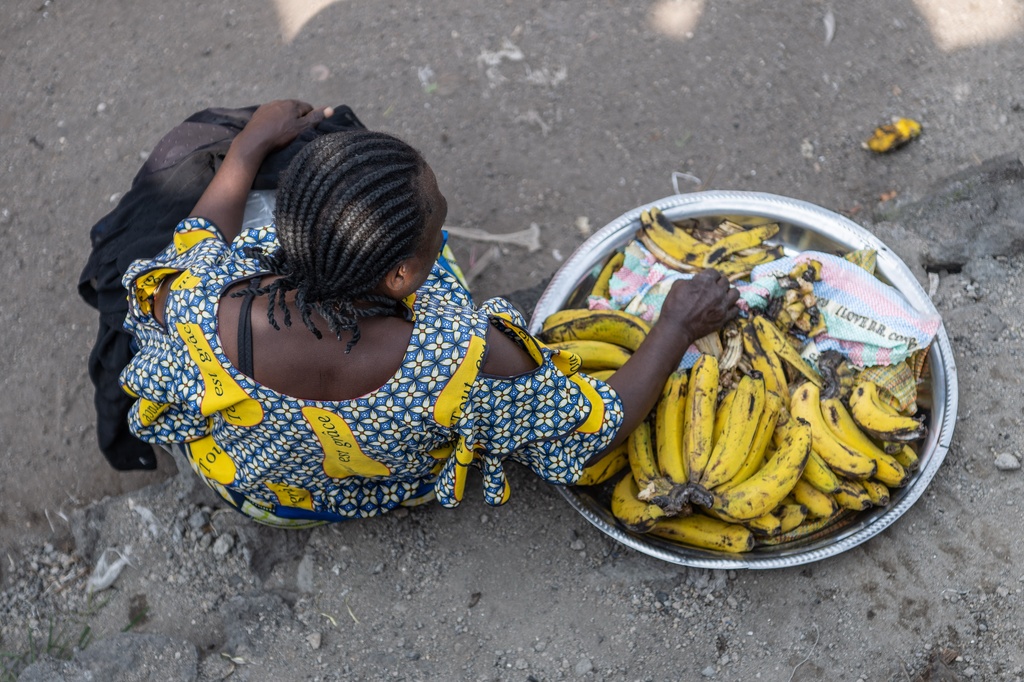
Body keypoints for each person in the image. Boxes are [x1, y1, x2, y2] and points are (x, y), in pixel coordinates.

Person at [119, 99, 739, 527]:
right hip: (376, 492)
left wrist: (251, 144)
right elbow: (592, 431)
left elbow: (199, 232)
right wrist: (676, 325)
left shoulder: (199, 300)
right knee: (446, 292)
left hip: (261, 495)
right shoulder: (462, 356)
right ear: (399, 276)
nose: (441, 222)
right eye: (437, 221)